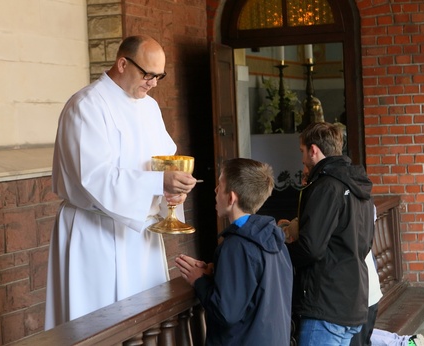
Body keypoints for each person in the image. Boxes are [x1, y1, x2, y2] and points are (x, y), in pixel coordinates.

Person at [44, 35, 197, 329]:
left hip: (140, 234)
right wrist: (158, 183)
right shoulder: (86, 105)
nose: (153, 83)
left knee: (148, 322)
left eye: (159, 76)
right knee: (96, 326)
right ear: (122, 63)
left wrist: (172, 193)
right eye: (147, 74)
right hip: (94, 233)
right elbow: (94, 176)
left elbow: (166, 160)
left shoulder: (149, 108)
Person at [175, 158, 293, 345]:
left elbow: (226, 312)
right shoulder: (274, 238)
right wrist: (216, 273)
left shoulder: (237, 245)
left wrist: (199, 281)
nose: (214, 191)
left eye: (219, 185)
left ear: (231, 198)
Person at [286, 121, 375, 345]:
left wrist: (279, 254)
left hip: (326, 303)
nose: (302, 159)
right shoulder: (357, 183)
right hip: (352, 298)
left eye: (302, 152)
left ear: (314, 149)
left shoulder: (326, 186)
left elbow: (311, 248)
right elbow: (364, 243)